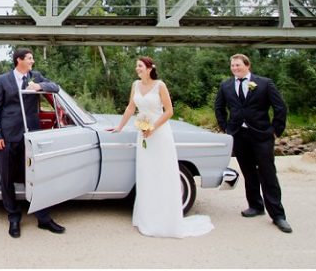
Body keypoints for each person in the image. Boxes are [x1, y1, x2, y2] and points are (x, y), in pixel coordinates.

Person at [108, 56, 214, 238]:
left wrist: (153, 127)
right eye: (137, 66)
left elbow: (169, 111)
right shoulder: (135, 85)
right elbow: (131, 108)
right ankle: (147, 217)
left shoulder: (160, 85)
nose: (137, 69)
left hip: (159, 133)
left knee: (161, 172)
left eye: (140, 66)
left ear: (149, 68)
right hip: (143, 134)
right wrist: (119, 127)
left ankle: (166, 219)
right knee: (146, 173)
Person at [0, 47, 65, 238]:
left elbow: (55, 87)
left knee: (35, 176)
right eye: (30, 58)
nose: (32, 61)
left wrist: (39, 86)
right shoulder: (2, 80)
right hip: (7, 136)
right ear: (19, 60)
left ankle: (43, 218)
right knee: (7, 178)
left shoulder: (35, 76)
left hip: (31, 136)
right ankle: (14, 218)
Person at [214, 53, 292, 233]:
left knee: (268, 173)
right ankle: (256, 205)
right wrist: (226, 128)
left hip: (262, 135)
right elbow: (219, 108)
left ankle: (278, 215)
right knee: (248, 172)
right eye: (232, 66)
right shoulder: (225, 85)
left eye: (238, 65)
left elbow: (280, 107)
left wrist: (275, 130)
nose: (235, 68)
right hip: (238, 135)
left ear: (247, 65)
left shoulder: (264, 83)